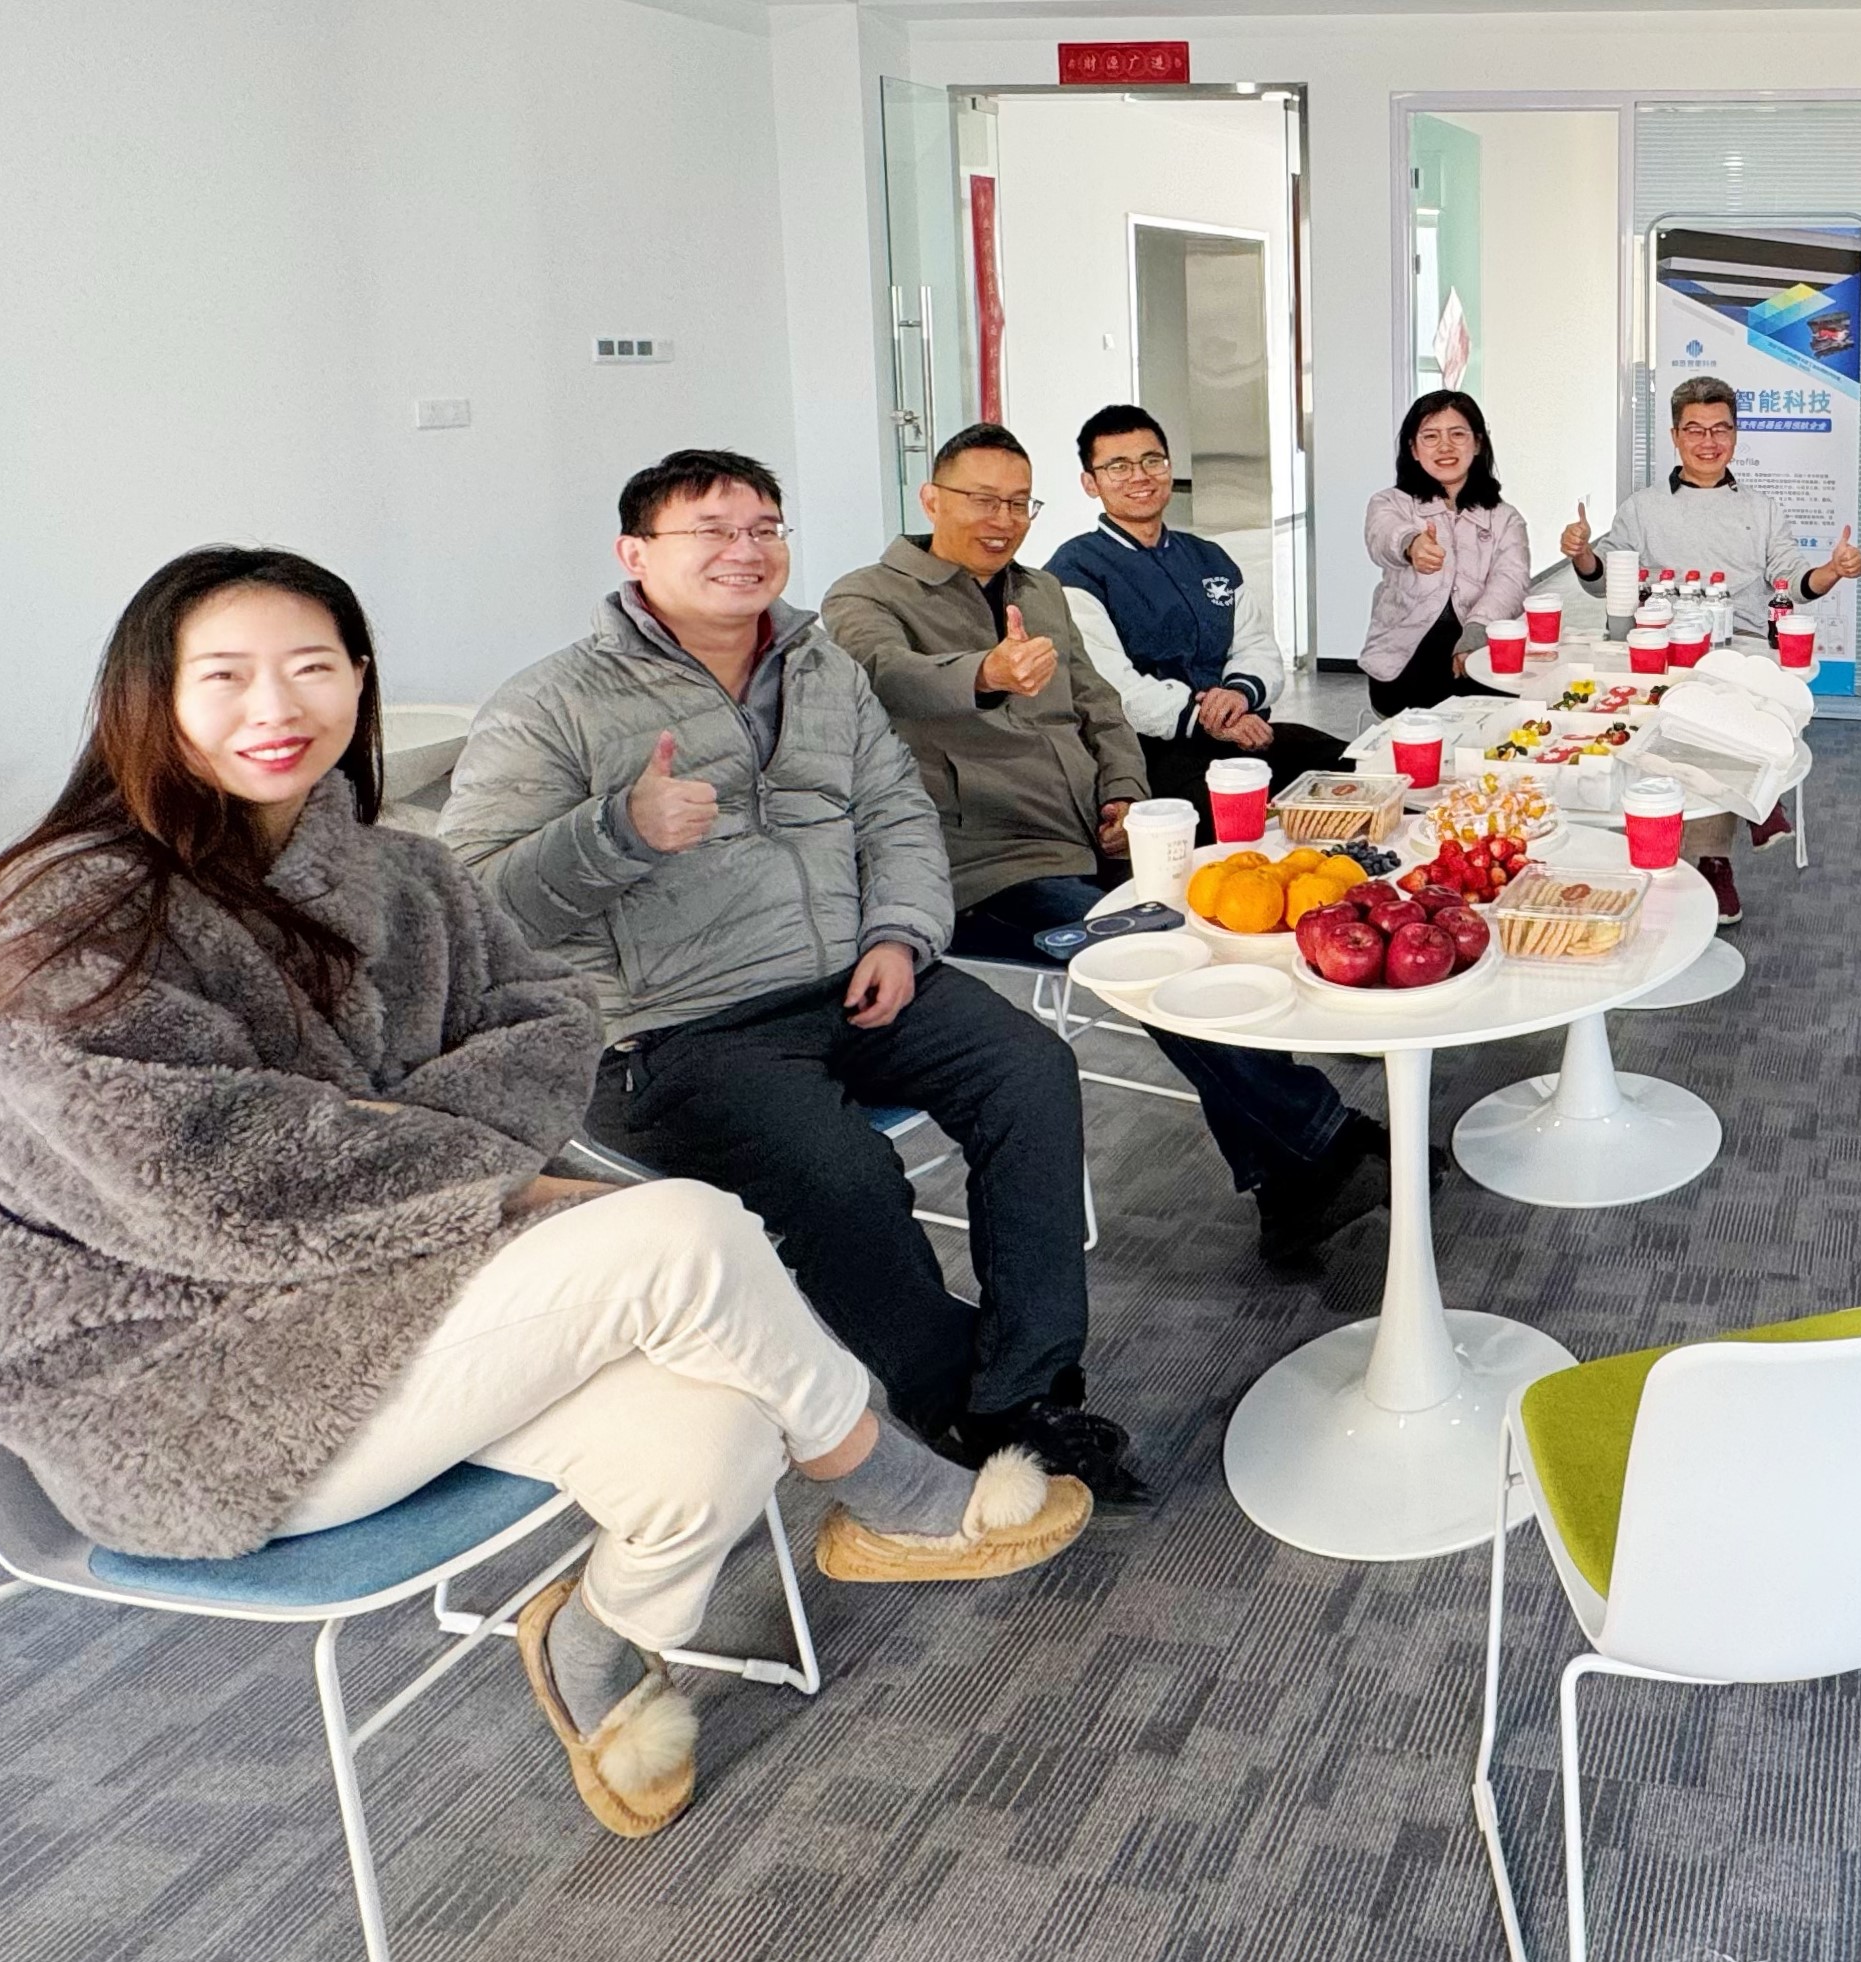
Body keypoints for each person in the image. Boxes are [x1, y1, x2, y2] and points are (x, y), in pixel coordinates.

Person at [0, 546, 1091, 1839]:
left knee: (721, 1430)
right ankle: (882, 1480)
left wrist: (401, 1138)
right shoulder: (65, 916)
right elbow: (219, 1182)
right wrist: (487, 1166)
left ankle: (593, 1639)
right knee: (689, 1231)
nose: (277, 706)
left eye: (312, 667)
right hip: (190, 1391)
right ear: (149, 696)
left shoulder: (403, 876)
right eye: (227, 676)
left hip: (409, 1304)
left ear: (360, 680)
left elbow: (546, 1029)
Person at [440, 449, 1149, 1505]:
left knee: (1031, 1071)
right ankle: (959, 1399)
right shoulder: (552, 702)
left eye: (764, 528)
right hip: (680, 1027)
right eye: (712, 530)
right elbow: (472, 909)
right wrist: (616, 830)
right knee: (845, 1176)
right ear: (635, 553)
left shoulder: (821, 666)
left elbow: (897, 813)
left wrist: (899, 935)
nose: (747, 550)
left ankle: (1025, 1388)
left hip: (858, 977)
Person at [824, 423, 1394, 1268]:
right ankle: (1320, 1136)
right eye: (982, 500)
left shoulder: (1041, 591)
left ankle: (1290, 1180)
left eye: (1019, 503)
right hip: (987, 862)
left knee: (1211, 927)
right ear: (931, 499)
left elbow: (1100, 705)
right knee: (1156, 956)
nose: (1002, 520)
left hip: (1092, 832)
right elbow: (882, 671)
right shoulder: (867, 595)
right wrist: (985, 673)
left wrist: (1124, 792)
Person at [1556, 374, 1861, 924]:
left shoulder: (1762, 510)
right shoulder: (1642, 508)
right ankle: (1756, 803)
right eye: (1695, 430)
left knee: (1719, 691)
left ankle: (1713, 858)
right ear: (1675, 436)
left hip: (1738, 644)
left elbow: (1793, 582)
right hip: (1659, 643)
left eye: (1721, 429)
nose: (1708, 441)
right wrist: (1581, 553)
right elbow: (1604, 581)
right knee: (1694, 704)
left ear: (1736, 435)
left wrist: (1833, 570)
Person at [1047, 402, 1347, 832]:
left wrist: (1238, 696)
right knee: (1235, 819)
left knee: (1352, 762)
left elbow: (1256, 645)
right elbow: (1113, 688)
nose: (1139, 476)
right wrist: (1210, 721)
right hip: (1149, 753)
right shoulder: (1076, 569)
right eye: (1118, 466)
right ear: (1090, 483)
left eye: (1152, 460)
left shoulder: (1208, 557)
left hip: (1237, 733)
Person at [1360, 389, 1534, 718]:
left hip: (1479, 647)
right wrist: (1411, 544)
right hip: (1403, 660)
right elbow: (1382, 535)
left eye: (1457, 434)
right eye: (1430, 436)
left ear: (1478, 443)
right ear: (1413, 449)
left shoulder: (1505, 518)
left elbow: (1510, 581)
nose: (1445, 447)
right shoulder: (1389, 503)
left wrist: (1477, 630)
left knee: (1491, 717)